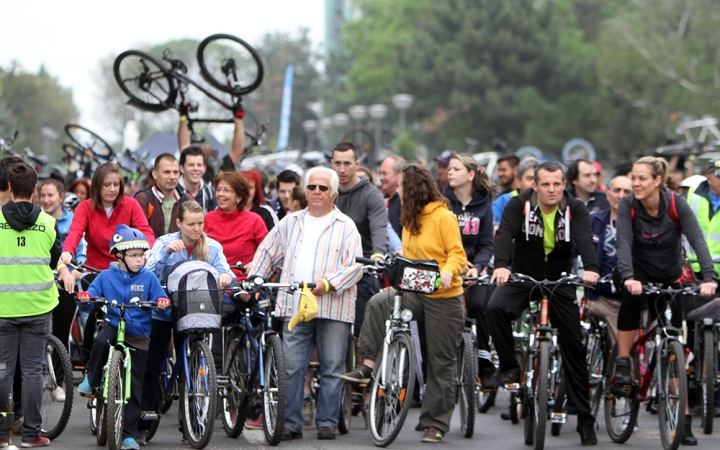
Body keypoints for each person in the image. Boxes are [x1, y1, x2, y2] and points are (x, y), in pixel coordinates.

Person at [343, 165, 467, 443]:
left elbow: (457, 254)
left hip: (444, 296)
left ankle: (435, 423)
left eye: (400, 187)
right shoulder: (409, 218)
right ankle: (369, 364)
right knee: (378, 303)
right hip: (415, 290)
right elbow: (409, 254)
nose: (396, 191)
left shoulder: (443, 216)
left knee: (440, 362)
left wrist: (448, 269)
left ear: (411, 190)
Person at [487, 161, 600, 445]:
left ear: (565, 184)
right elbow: (505, 234)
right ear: (534, 185)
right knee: (495, 308)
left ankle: (584, 419)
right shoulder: (519, 205)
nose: (551, 190)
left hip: (561, 280)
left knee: (574, 345)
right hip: (525, 276)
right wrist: (501, 265)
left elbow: (585, 239)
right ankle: (511, 368)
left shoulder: (575, 208)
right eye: (545, 184)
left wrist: (591, 268)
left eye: (557, 184)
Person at [248, 166, 362, 441]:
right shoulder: (290, 221)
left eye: (323, 188)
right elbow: (267, 251)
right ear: (305, 190)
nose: (317, 192)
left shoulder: (346, 225)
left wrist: (327, 283)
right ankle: (289, 423)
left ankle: (326, 422)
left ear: (334, 193)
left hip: (333, 307)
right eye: (312, 187)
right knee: (291, 366)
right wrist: (255, 279)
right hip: (294, 305)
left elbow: (356, 266)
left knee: (332, 367)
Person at [614, 156, 717, 445]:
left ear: (658, 180)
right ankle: (623, 360)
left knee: (674, 346)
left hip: (670, 275)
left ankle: (682, 421)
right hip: (636, 272)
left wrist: (708, 278)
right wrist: (628, 276)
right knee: (631, 302)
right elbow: (624, 242)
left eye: (642, 178)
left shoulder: (675, 204)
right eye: (633, 177)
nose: (635, 183)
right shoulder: (628, 205)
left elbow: (697, 239)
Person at [140, 200, 233, 442]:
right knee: (151, 364)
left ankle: (190, 423)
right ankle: (143, 420)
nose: (196, 229)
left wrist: (224, 276)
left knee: (192, 365)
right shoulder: (164, 243)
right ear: (179, 223)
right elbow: (147, 274)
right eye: (191, 224)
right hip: (163, 311)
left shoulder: (211, 246)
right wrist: (165, 254)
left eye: (200, 223)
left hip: (193, 312)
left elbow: (226, 271)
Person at [0, 162, 74, 448]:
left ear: (8, 187)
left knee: (3, 371)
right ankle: (31, 434)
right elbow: (56, 259)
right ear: (34, 190)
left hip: (4, 307)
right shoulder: (48, 224)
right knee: (32, 372)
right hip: (38, 307)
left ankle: (3, 435)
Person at [77, 225, 168, 450]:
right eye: (134, 256)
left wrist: (163, 303)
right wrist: (86, 296)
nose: (140, 260)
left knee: (135, 388)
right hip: (114, 325)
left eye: (141, 256)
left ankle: (129, 435)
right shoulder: (106, 276)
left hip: (139, 334)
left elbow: (161, 298)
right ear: (120, 256)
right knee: (100, 341)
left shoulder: (148, 278)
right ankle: (94, 379)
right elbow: (92, 293)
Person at [59, 162, 155, 364]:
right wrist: (67, 252)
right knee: (97, 307)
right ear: (97, 187)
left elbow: (145, 231)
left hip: (124, 270)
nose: (112, 189)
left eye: (116, 184)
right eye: (106, 185)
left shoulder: (130, 205)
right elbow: (75, 232)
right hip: (96, 270)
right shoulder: (86, 207)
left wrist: (147, 251)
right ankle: (87, 355)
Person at [444, 154, 495, 388]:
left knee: (479, 305)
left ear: (471, 175)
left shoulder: (484, 207)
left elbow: (486, 244)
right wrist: (455, 262)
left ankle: (485, 362)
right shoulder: (442, 202)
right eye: (449, 169)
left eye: (456, 169)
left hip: (474, 269)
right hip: (447, 268)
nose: (449, 172)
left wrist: (478, 267)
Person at [331, 142, 388, 336]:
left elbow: (379, 228)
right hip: (329, 269)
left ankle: (361, 363)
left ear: (357, 164)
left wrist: (379, 254)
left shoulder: (371, 194)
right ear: (331, 163)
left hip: (361, 270)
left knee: (360, 329)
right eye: (337, 163)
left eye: (347, 163)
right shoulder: (325, 191)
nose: (342, 169)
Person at [587, 176, 632, 347]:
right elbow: (572, 249)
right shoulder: (594, 220)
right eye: (616, 190)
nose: (620, 196)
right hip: (598, 297)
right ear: (607, 194)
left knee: (627, 360)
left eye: (627, 192)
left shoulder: (640, 224)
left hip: (627, 301)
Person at [204, 171, 267, 280]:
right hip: (212, 284)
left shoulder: (254, 220)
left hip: (243, 285)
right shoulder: (207, 219)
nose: (220, 194)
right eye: (218, 189)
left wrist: (254, 263)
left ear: (239, 197)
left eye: (226, 190)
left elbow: (268, 252)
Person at [133, 153, 194, 240]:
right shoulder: (144, 199)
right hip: (150, 251)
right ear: (154, 174)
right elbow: (137, 233)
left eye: (176, 172)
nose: (172, 177)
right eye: (167, 172)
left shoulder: (187, 200)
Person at [492, 157, 539, 225]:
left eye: (537, 179)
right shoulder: (504, 201)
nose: (534, 183)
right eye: (530, 178)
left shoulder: (548, 203)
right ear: (518, 181)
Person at [177, 146, 217, 213]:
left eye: (199, 165)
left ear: (204, 168)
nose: (195, 168)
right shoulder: (173, 191)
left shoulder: (211, 193)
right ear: (181, 168)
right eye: (191, 165)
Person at [378, 155, 405, 237]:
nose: (381, 178)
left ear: (400, 174)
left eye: (385, 173)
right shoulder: (381, 199)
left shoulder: (405, 202)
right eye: (380, 173)